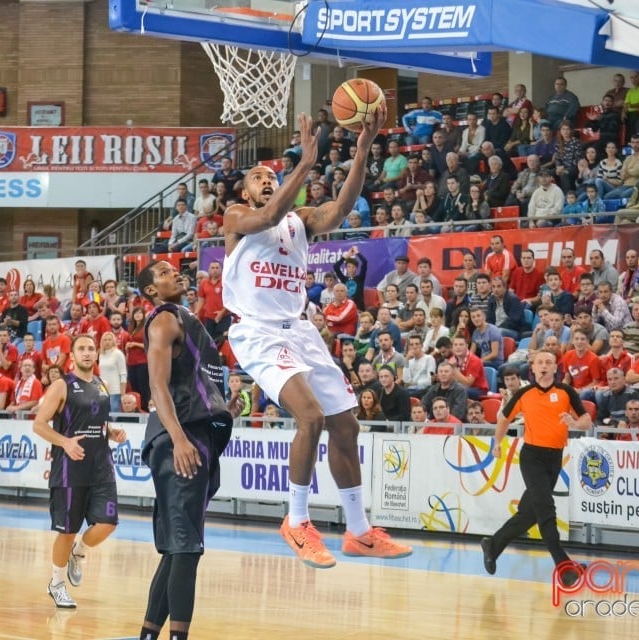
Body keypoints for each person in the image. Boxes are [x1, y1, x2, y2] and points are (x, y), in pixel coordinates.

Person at [222, 110, 412, 568]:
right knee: (309, 418)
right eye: (258, 177)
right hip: (258, 333)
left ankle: (359, 531)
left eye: (272, 175)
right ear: (244, 191)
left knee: (346, 426)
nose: (266, 180)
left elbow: (341, 209)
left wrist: (362, 150)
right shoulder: (236, 216)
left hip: (300, 330)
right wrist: (304, 164)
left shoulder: (300, 221)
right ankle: (297, 520)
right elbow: (269, 213)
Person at [136, 260, 238, 640]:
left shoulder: (189, 320)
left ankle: (148, 634)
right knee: (187, 546)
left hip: (200, 434)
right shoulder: (163, 320)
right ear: (151, 291)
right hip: (180, 438)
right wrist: (178, 438)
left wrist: (227, 407)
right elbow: (158, 387)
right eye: (163, 272)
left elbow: (197, 387)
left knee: (179, 548)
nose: (175, 272)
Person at [32, 333, 127, 608]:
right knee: (67, 530)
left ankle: (80, 552)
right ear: (72, 355)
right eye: (81, 349)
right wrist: (65, 442)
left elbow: (99, 423)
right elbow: (39, 424)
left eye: (91, 349)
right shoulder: (61, 386)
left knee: (108, 523)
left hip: (101, 467)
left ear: (96, 354)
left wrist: (112, 432)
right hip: (69, 470)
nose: (87, 353)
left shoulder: (103, 384)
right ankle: (57, 584)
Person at [481, 351, 591, 586]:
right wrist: (497, 444)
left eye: (548, 362)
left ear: (555, 368)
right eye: (539, 362)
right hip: (532, 457)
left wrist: (575, 423)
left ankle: (493, 544)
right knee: (546, 511)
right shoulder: (524, 393)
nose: (543, 366)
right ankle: (564, 567)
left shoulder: (565, 392)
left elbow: (587, 420)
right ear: (533, 367)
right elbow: (504, 419)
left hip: (555, 458)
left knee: (529, 514)